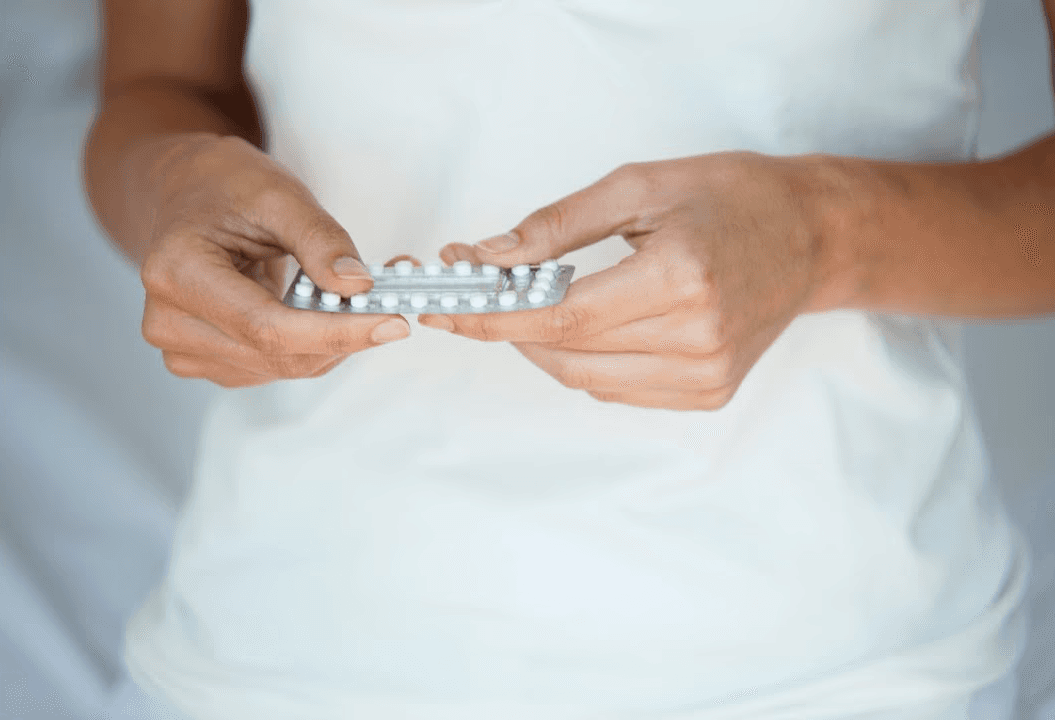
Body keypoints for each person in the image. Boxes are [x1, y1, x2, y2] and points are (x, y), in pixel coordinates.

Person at [84, 0, 1054, 717]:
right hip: (275, 643)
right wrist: (167, 184)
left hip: (842, 669)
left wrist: (822, 237)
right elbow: (155, 89)